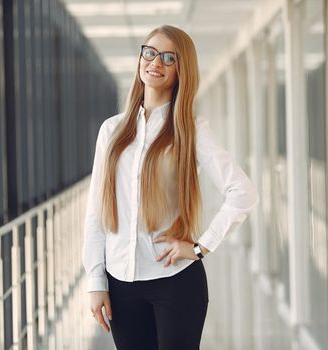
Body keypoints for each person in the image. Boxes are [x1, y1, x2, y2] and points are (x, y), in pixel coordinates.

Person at [82, 25, 259, 350]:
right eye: (149, 52)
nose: (155, 63)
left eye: (168, 58)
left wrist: (199, 247)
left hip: (175, 284)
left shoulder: (191, 130)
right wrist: (96, 281)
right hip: (120, 284)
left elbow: (243, 193)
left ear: (181, 70)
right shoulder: (112, 131)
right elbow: (96, 213)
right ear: (140, 58)